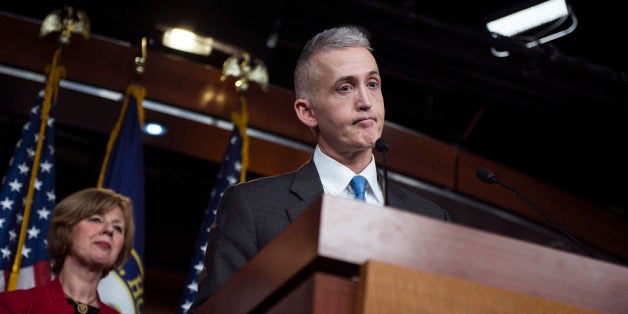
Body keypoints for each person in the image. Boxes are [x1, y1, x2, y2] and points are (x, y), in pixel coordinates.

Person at [190, 24, 450, 310]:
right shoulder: (253, 207)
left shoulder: (431, 219)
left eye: (372, 84)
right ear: (307, 111)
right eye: (345, 88)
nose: (365, 101)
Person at [0, 187, 135, 314]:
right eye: (96, 219)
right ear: (67, 231)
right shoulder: (14, 305)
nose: (110, 230)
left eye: (118, 228)